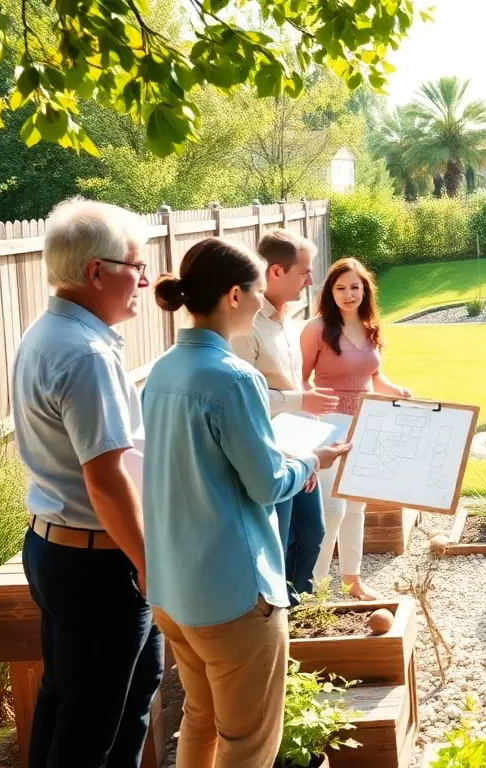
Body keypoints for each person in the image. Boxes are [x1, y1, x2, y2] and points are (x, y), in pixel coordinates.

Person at [141, 237, 349, 766]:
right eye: (258, 291)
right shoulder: (235, 377)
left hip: (172, 589)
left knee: (202, 720)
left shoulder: (162, 369)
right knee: (249, 742)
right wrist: (312, 463)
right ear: (235, 295)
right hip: (233, 593)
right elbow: (266, 483)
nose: (264, 302)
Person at [10, 197, 163, 768]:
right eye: (136, 266)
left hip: (57, 548)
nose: (145, 280)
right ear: (97, 272)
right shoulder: (87, 352)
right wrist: (149, 562)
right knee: (96, 725)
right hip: (101, 563)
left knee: (72, 701)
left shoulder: (46, 332)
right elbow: (105, 478)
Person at [232, 229, 339, 603]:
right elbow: (243, 397)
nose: (312, 280)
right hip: (268, 453)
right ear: (276, 271)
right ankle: (278, 621)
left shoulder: (287, 318)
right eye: (304, 272)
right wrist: (299, 402)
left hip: (298, 446)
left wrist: (308, 442)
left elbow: (295, 385)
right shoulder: (246, 326)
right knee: (279, 539)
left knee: (312, 532)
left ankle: (301, 614)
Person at [301, 257, 412, 600]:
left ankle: (353, 581)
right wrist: (310, 422)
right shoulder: (316, 329)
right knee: (332, 510)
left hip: (367, 424)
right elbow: (299, 381)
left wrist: (398, 392)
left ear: (365, 290)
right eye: (340, 288)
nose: (349, 294)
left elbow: (374, 377)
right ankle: (314, 588)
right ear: (329, 292)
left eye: (355, 287)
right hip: (329, 427)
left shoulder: (370, 327)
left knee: (357, 507)